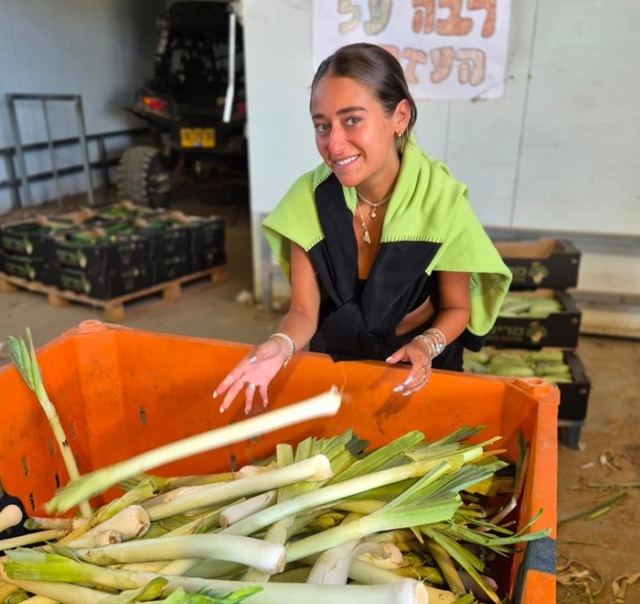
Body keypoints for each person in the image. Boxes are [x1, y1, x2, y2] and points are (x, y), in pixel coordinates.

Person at [215, 43, 511, 413]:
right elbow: (305, 312)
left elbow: (455, 307)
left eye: (352, 119)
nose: (334, 144)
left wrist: (425, 346)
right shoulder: (308, 199)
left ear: (400, 116)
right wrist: (280, 344)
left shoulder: (441, 202)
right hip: (338, 362)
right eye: (323, 126)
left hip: (417, 371)